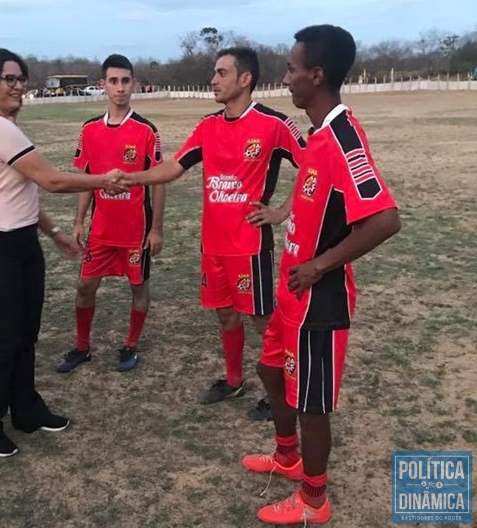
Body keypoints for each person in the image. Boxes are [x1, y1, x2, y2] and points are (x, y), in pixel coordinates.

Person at [241, 25, 401, 524]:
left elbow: (385, 219)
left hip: (319, 299)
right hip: (292, 292)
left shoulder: (344, 136)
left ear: (316, 73)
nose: (285, 78)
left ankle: (314, 499)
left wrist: (319, 265)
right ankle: (287, 457)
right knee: (270, 373)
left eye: (291, 69)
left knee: (311, 403)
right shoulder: (315, 136)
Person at [116, 47, 305, 411]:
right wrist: (132, 177)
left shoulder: (274, 124)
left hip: (249, 246)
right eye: (214, 73)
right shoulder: (208, 126)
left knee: (262, 319)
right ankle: (234, 381)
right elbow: (173, 168)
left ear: (245, 79)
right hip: (213, 245)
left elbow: (314, 165)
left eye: (221, 72)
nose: (213, 80)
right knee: (225, 313)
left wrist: (281, 211)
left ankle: (281, 392)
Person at [0, 47, 126, 458]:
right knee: (4, 338)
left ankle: (27, 411)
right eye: (9, 79)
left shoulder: (7, 127)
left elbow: (25, 191)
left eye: (21, 79)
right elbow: (51, 180)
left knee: (25, 335)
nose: (18, 86)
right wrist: (103, 180)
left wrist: (52, 233)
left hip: (20, 242)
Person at [56, 54, 165, 374]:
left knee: (138, 289)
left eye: (125, 80)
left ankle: (130, 345)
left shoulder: (146, 130)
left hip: (135, 231)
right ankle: (81, 347)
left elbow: (159, 182)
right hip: (101, 231)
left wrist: (156, 228)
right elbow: (86, 181)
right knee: (85, 287)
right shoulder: (89, 129)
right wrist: (78, 220)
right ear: (102, 85)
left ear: (134, 84)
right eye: (113, 81)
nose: (120, 88)